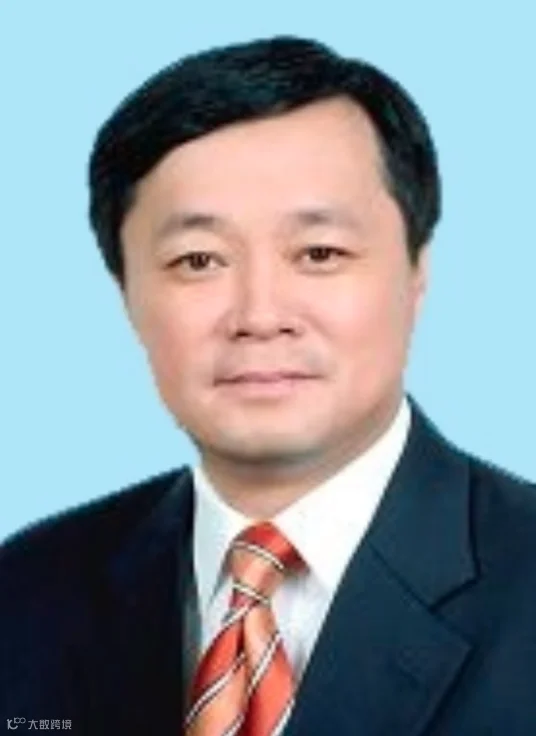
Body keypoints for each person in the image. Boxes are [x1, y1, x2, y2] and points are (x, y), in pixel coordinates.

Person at [1, 35, 535, 736]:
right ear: (126, 293)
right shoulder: (25, 591)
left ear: (417, 273)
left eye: (319, 253)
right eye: (198, 260)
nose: (259, 315)